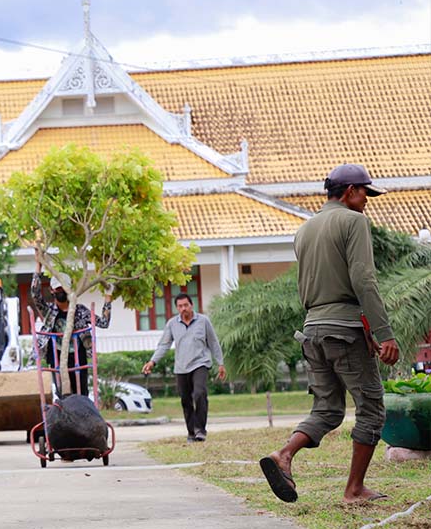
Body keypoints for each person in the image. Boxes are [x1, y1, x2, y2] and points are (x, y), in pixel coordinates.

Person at [259, 164, 399, 504]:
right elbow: (363, 280)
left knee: (328, 409)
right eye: (365, 193)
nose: (367, 200)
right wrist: (384, 333)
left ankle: (284, 455)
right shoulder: (354, 222)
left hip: (312, 330)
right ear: (350, 191)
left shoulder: (304, 230)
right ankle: (355, 489)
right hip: (344, 330)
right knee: (371, 408)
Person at [142, 293, 226, 442]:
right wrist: (152, 362)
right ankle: (191, 432)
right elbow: (164, 345)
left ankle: (200, 430)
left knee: (199, 394)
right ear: (177, 308)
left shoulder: (203, 321)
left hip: (200, 363)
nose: (183, 309)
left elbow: (213, 342)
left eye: (186, 305)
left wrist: (220, 363)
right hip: (181, 367)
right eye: (180, 306)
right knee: (185, 400)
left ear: (191, 305)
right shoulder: (172, 324)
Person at [29, 272, 112, 396]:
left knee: (81, 394)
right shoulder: (49, 311)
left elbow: (103, 323)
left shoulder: (80, 311)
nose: (61, 292)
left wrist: (108, 296)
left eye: (64, 288)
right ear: (51, 290)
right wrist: (38, 267)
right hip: (57, 359)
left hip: (78, 358)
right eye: (58, 289)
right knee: (63, 395)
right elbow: (35, 295)